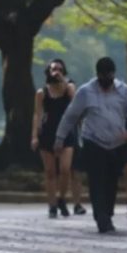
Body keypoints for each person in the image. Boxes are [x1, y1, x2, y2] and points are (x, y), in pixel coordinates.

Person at [55, 57, 127, 233]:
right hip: (94, 142)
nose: (106, 80)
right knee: (96, 181)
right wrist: (59, 138)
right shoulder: (86, 92)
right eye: (102, 76)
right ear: (97, 75)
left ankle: (107, 213)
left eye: (109, 75)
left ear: (113, 74)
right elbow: (70, 116)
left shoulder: (123, 91)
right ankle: (101, 218)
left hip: (117, 143)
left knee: (111, 181)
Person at [30, 59, 86, 218]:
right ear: (48, 71)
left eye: (60, 69)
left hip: (67, 133)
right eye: (54, 69)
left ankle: (62, 197)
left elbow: (76, 106)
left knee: (65, 169)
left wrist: (63, 84)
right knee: (50, 172)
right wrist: (34, 136)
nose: (57, 72)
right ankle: (52, 205)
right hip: (47, 132)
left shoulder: (69, 87)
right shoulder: (41, 93)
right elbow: (37, 114)